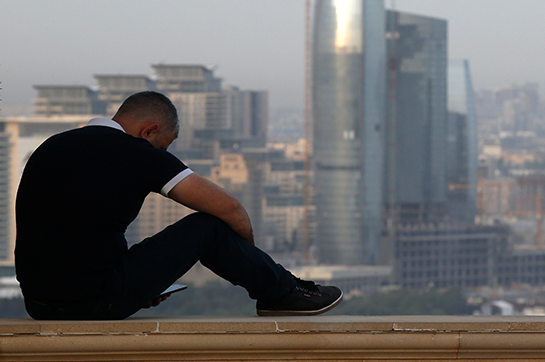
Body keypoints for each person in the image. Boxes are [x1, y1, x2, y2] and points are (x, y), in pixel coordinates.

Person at [15, 91, 341, 320]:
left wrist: (145, 281)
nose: (163, 154)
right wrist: (249, 259)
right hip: (97, 300)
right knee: (208, 227)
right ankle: (282, 292)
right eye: (164, 146)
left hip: (38, 304)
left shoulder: (54, 146)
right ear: (150, 131)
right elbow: (230, 210)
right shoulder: (137, 152)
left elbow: (72, 237)